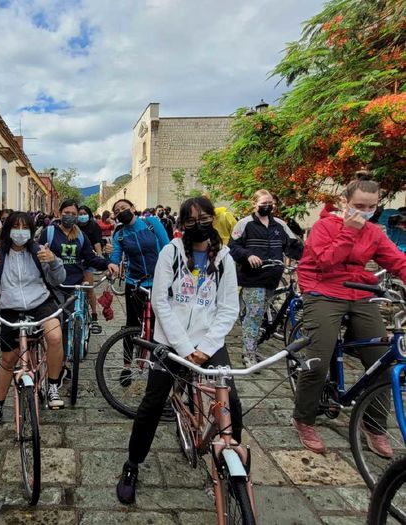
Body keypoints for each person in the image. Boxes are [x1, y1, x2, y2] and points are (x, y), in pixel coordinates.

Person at [116, 196, 241, 504]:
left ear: (213, 218)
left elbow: (228, 308)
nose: (198, 225)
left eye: (204, 218)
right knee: (152, 404)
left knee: (233, 404)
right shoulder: (170, 253)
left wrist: (206, 346)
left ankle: (230, 462)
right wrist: (185, 348)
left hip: (209, 343)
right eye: (191, 220)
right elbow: (160, 302)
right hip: (171, 343)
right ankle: (132, 465)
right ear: (182, 224)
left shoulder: (224, 258)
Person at [292, 179, 406, 455]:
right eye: (358, 206)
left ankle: (374, 425)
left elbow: (397, 261)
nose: (365, 211)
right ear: (344, 202)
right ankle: (304, 418)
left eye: (371, 206)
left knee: (383, 360)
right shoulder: (324, 226)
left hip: (359, 293)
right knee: (318, 358)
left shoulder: (374, 232)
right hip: (323, 290)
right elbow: (325, 261)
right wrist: (349, 233)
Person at [0, 212, 67, 433]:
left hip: (40, 303)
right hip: (11, 308)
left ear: (32, 231)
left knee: (54, 336)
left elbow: (58, 279)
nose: (20, 231)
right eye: (16, 226)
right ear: (7, 229)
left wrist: (53, 262)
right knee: (8, 359)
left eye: (25, 227)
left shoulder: (38, 252)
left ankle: (53, 386)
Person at [229, 189, 303, 367]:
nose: (268, 206)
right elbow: (233, 247)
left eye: (270, 203)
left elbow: (293, 246)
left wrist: (306, 261)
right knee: (254, 315)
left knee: (259, 313)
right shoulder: (244, 224)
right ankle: (249, 354)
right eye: (264, 203)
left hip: (273, 277)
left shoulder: (279, 225)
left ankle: (253, 344)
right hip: (253, 277)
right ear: (254, 204)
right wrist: (247, 256)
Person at [40, 201, 109, 377]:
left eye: (73, 213)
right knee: (56, 326)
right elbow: (37, 255)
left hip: (73, 285)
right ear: (59, 212)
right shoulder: (49, 233)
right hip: (52, 286)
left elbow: (89, 258)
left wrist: (109, 263)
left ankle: (61, 365)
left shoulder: (80, 236)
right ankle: (58, 365)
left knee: (66, 325)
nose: (69, 215)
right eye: (66, 212)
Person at [106, 199, 170, 385]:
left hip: (158, 281)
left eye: (124, 208)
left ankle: (159, 364)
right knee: (131, 325)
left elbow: (167, 246)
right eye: (117, 211)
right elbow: (116, 255)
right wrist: (112, 263)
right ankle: (126, 367)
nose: (121, 212)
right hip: (135, 282)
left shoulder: (152, 223)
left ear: (133, 208)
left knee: (159, 326)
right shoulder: (119, 233)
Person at [76, 204, 107, 332]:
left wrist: (101, 259)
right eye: (80, 213)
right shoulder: (73, 227)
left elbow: (97, 243)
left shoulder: (94, 226)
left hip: (89, 259)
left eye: (84, 213)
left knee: (89, 287)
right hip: (75, 260)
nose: (82, 216)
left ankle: (94, 315)